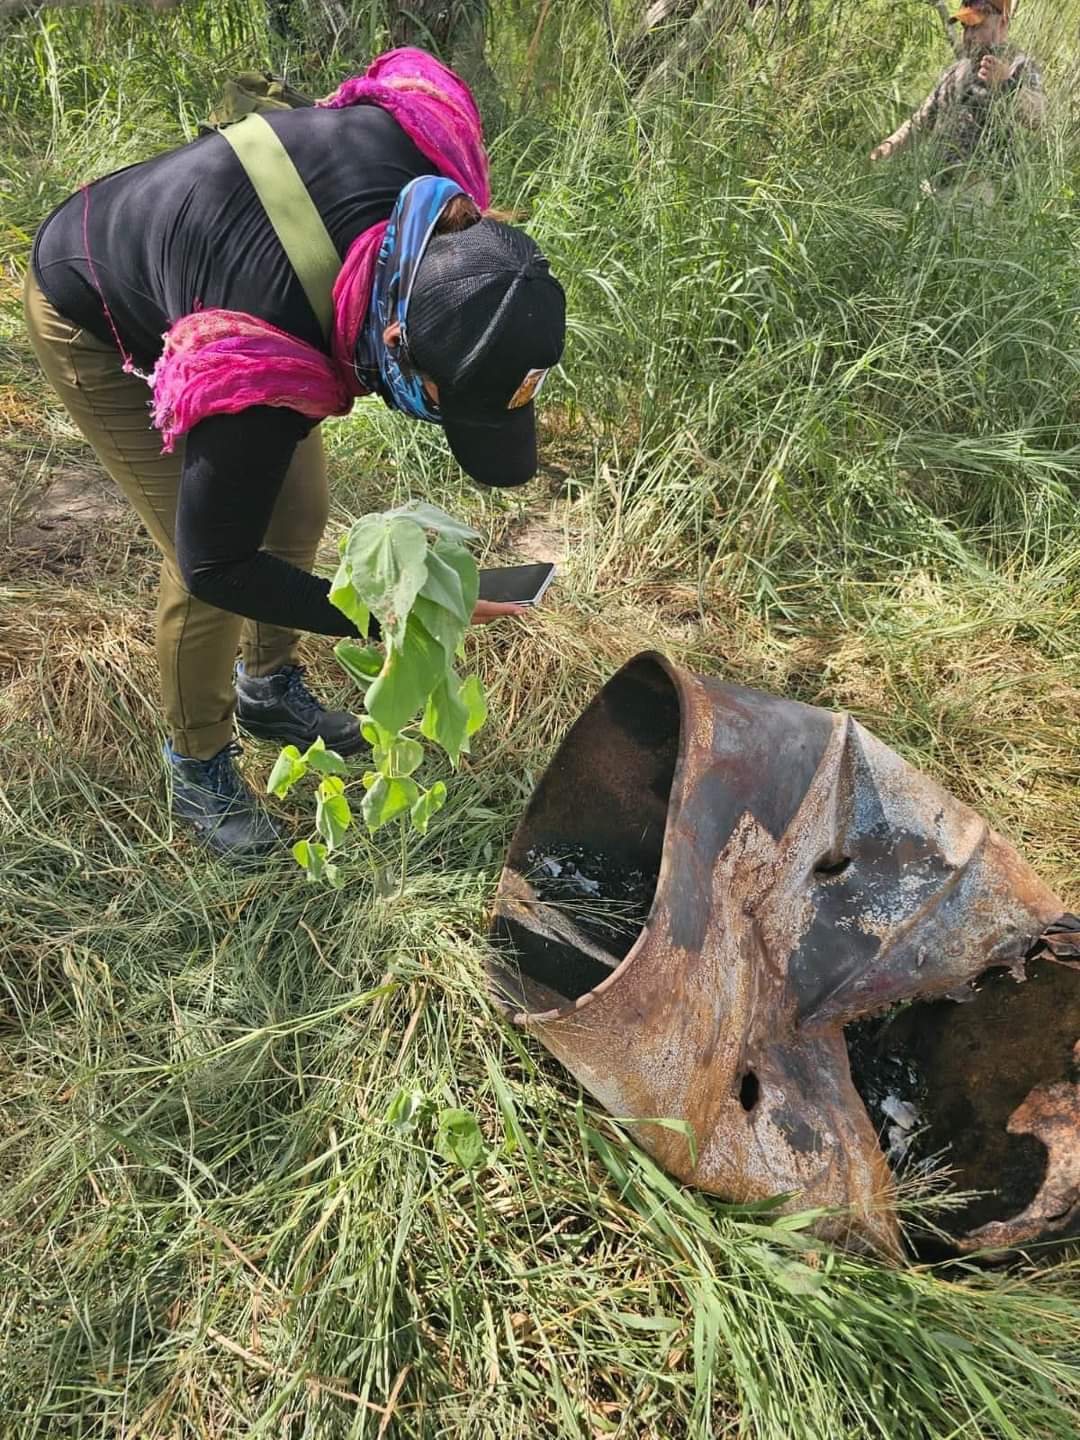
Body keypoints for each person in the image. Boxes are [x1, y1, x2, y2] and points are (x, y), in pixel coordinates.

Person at [24, 49, 566, 861]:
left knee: (300, 508)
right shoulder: (260, 346)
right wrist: (392, 619)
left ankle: (269, 689)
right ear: (393, 341)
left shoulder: (441, 201)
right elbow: (218, 564)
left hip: (224, 256)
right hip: (92, 303)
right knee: (198, 558)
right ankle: (197, 760)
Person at [869, 0, 1044, 189]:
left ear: (1002, 23)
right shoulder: (957, 71)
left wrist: (1005, 84)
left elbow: (1039, 118)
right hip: (936, 188)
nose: (969, 36)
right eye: (965, 28)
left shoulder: (1018, 66)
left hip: (984, 194)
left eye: (977, 27)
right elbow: (921, 124)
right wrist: (885, 148)